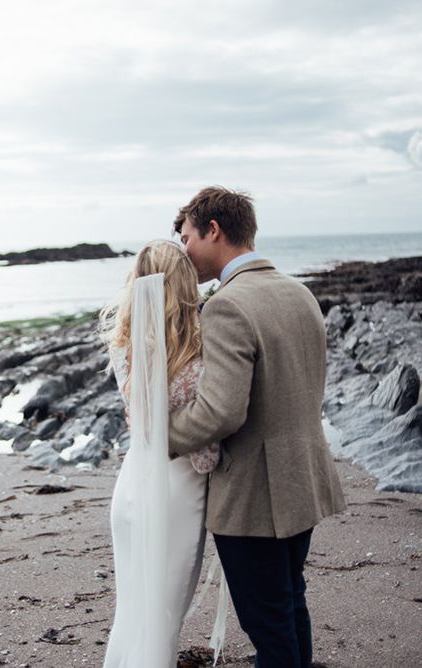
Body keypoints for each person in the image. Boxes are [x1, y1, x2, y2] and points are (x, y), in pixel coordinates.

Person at [169, 186, 346, 668]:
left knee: (268, 624)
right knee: (290, 603)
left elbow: (221, 412)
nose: (183, 249)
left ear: (213, 230)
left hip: (254, 491)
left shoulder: (226, 305)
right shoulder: (299, 292)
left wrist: (158, 438)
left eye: (187, 236)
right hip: (304, 476)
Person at [99, 240, 221, 667]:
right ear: (186, 283)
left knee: (132, 611)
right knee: (162, 620)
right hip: (175, 495)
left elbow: (142, 421)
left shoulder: (124, 345)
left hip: (133, 486)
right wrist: (214, 462)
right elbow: (204, 451)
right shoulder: (195, 356)